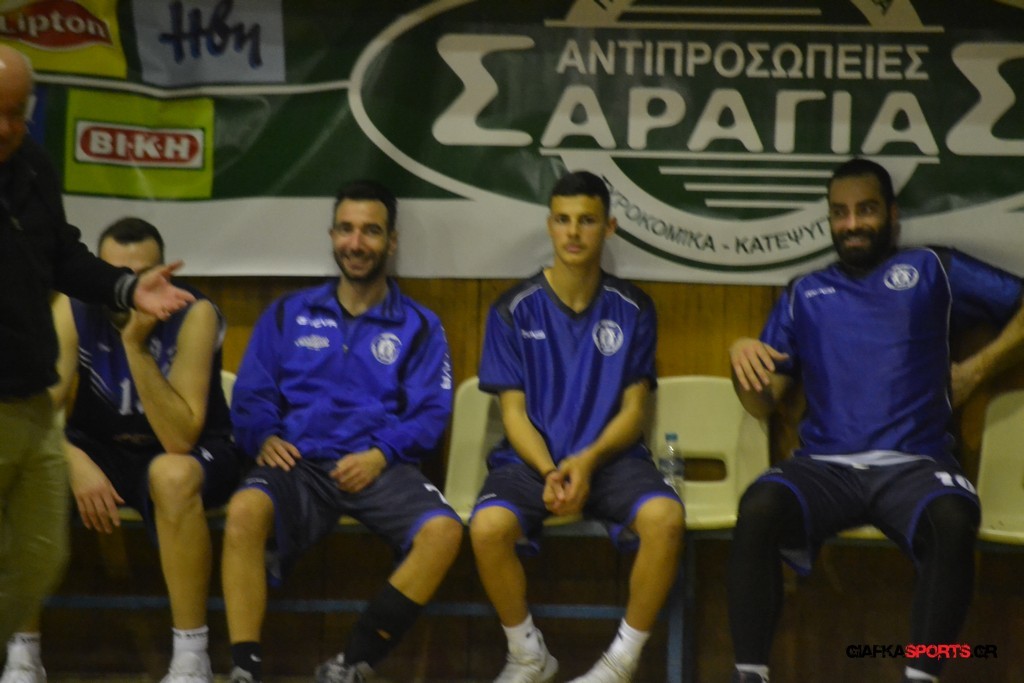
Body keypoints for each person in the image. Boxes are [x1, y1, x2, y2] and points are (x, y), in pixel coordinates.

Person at [727, 157, 1024, 683]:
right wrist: (740, 359)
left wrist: (976, 370)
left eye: (865, 210)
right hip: (825, 468)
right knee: (758, 507)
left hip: (916, 465)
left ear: (892, 214)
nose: (852, 224)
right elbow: (764, 401)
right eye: (839, 213)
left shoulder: (934, 269)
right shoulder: (803, 292)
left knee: (954, 519)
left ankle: (923, 675)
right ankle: (749, 675)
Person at [222, 180, 462, 683]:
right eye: (346, 229)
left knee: (443, 532)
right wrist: (264, 436)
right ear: (332, 235)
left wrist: (381, 453)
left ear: (391, 242)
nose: (356, 243)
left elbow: (430, 413)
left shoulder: (420, 325)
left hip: (379, 467)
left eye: (371, 231)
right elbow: (251, 394)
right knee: (244, 510)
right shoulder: (288, 313)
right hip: (299, 465)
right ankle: (244, 668)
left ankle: (350, 665)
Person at [0, 45, 194, 656]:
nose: (5, 128)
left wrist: (128, 288)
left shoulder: (32, 165)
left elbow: (63, 255)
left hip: (31, 398)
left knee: (40, 556)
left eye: (16, 113)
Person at [0, 218, 243, 683]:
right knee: (16, 469)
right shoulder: (75, 307)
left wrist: (135, 345)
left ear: (164, 275)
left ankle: (191, 658)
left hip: (192, 452)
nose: (132, 289)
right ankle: (22, 657)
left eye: (144, 275)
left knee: (171, 475)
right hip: (101, 448)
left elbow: (179, 439)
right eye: (119, 276)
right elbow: (35, 409)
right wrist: (74, 461)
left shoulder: (195, 313)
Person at [469, 170, 684, 683]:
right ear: (549, 225)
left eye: (586, 221)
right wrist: (550, 470)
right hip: (531, 462)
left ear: (608, 228)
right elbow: (513, 413)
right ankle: (527, 654)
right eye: (563, 220)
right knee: (487, 529)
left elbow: (634, 411)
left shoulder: (634, 307)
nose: (573, 232)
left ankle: (620, 663)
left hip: (611, 461)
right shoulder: (512, 309)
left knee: (666, 519)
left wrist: (586, 462)